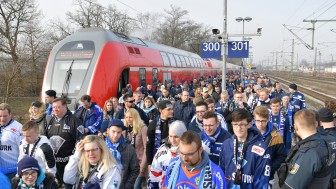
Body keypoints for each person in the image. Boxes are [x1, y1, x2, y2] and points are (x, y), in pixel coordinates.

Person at [279, 110, 334, 189]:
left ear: (296, 127)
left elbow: (291, 186)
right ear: (316, 124)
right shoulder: (326, 142)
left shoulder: (308, 153)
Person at [219, 109, 270, 188]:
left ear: (249, 124)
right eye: (235, 124)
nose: (238, 128)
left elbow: (262, 180)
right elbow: (221, 173)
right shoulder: (226, 144)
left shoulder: (261, 148)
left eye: (242, 124)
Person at [162, 131, 226, 189]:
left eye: (189, 154)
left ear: (200, 150)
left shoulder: (215, 174)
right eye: (181, 153)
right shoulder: (173, 165)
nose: (184, 158)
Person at [45, 98, 83, 188]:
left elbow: (80, 140)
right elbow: (46, 139)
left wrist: (74, 157)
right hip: (54, 164)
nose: (55, 109)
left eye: (58, 107)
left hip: (69, 164)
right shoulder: (51, 120)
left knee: (68, 186)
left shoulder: (74, 120)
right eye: (53, 107)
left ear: (65, 106)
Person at [253, 106, 286, 188]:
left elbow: (281, 156)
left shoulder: (276, 136)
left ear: (268, 119)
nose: (260, 124)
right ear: (254, 119)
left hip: (268, 177)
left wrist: (270, 167)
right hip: (250, 176)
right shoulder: (249, 134)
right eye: (258, 121)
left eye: (263, 121)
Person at [148, 120, 187, 189]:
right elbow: (154, 173)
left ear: (183, 136)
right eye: (170, 136)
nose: (173, 139)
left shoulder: (189, 152)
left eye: (176, 137)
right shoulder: (162, 150)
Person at [104, 119, 140, 189]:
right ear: (108, 131)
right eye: (113, 131)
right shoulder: (101, 147)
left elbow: (135, 170)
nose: (115, 135)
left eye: (119, 132)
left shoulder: (129, 149)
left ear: (122, 133)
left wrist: (127, 186)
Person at [146, 100, 174, 171]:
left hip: (173, 159)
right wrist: (149, 163)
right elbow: (149, 145)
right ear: (161, 111)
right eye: (168, 109)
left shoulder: (175, 123)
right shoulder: (153, 125)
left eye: (172, 109)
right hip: (157, 159)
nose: (172, 111)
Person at [123, 108, 148, 189]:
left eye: (130, 117)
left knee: (136, 186)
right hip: (129, 164)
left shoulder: (143, 128)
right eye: (126, 117)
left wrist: (142, 166)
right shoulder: (125, 130)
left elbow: (146, 148)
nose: (128, 119)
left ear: (135, 117)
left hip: (140, 163)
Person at [0, 103, 23, 181]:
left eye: (5, 116)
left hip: (12, 171)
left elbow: (23, 150)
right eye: (0, 116)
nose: (2, 119)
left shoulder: (18, 128)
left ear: (10, 114)